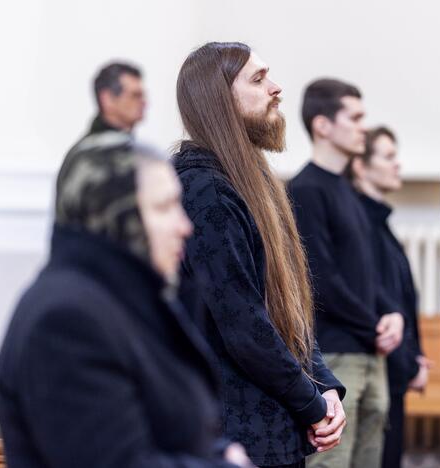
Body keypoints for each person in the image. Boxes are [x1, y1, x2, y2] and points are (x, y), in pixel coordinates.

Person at [0, 134, 252, 467]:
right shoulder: (66, 321)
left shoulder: (126, 298)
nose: (184, 226)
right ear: (114, 215)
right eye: (164, 207)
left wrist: (216, 453)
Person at [172, 42, 346, 468]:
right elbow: (245, 325)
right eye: (258, 79)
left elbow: (289, 312)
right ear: (219, 99)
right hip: (235, 433)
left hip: (272, 424)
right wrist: (312, 404)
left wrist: (324, 386)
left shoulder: (252, 182)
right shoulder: (204, 189)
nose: (276, 88)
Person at [288, 80, 404, 468]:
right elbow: (320, 280)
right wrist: (375, 325)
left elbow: (367, 271)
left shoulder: (348, 192)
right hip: (336, 354)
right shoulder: (306, 189)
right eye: (354, 118)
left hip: (370, 352)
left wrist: (391, 314)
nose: (362, 128)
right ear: (322, 125)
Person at [347, 126, 431, 468]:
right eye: (388, 157)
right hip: (380, 367)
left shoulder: (379, 222)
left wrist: (415, 359)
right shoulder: (361, 224)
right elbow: (378, 306)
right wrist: (410, 366)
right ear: (361, 167)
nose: (398, 165)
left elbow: (400, 301)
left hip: (393, 369)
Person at [89, 61, 146, 135]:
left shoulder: (130, 143)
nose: (144, 102)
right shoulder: (95, 145)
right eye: (135, 95)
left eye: (142, 96)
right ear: (107, 99)